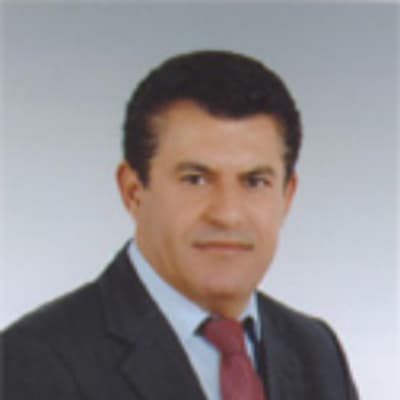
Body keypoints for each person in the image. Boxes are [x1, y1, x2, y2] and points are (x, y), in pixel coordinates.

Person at [2, 50, 359, 400]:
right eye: (195, 179)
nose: (227, 214)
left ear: (287, 195)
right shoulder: (32, 364)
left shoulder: (317, 352)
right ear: (133, 191)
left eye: (254, 182)